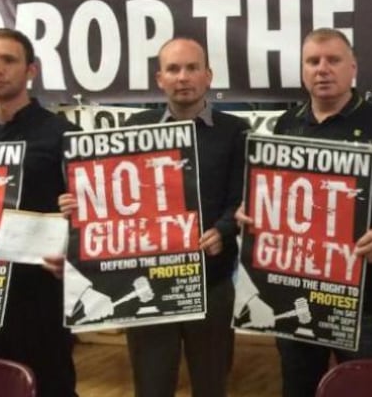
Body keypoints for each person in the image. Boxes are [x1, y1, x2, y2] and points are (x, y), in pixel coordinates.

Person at [54, 38, 249, 397]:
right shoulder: (136, 128)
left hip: (211, 281)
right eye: (173, 69)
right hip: (147, 284)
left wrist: (223, 229)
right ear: (160, 78)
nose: (183, 77)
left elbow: (242, 198)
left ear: (208, 76)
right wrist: (81, 201)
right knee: (151, 386)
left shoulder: (235, 131)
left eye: (192, 68)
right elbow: (114, 196)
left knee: (212, 386)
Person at [237, 28, 372, 397]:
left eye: (333, 60)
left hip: (362, 300)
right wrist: (254, 210)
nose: (322, 69)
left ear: (352, 68)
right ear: (303, 71)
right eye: (313, 61)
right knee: (298, 388)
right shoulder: (286, 124)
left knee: (364, 390)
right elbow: (276, 197)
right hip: (294, 293)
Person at [0, 28, 79, 397]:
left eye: (8, 60)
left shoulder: (61, 134)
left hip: (38, 296)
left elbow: (91, 214)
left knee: (50, 387)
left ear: (31, 70)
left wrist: (72, 249)